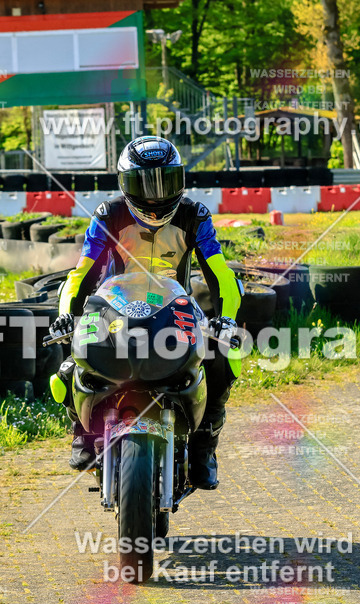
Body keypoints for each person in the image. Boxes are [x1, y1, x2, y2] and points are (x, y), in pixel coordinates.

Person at [49, 136, 242, 490]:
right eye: (144, 183)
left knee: (226, 358)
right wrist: (66, 314)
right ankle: (84, 433)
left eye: (164, 181)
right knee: (72, 355)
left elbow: (221, 274)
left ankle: (203, 449)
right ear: (125, 185)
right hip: (114, 307)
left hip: (176, 306)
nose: (155, 196)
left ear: (180, 180)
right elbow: (81, 274)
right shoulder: (109, 215)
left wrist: (226, 318)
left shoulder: (195, 215)